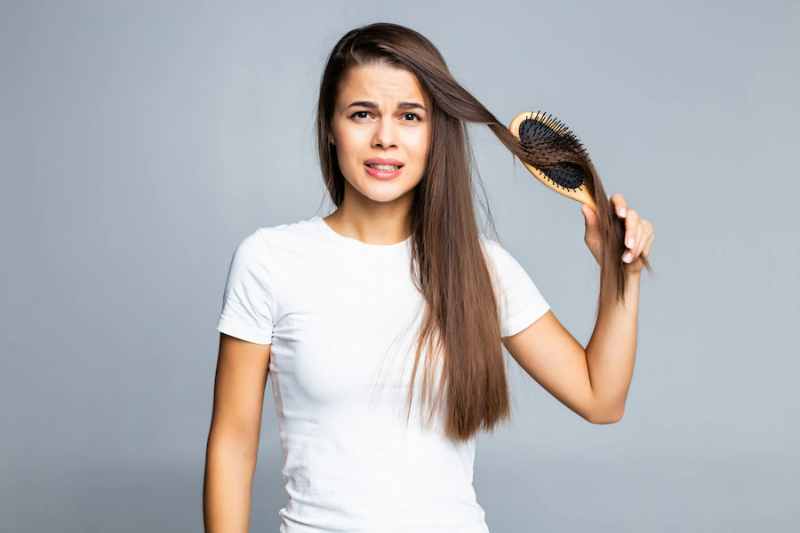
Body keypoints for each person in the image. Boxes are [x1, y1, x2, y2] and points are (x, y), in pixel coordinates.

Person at [203, 22, 654, 533]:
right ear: (331, 126)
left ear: (434, 131)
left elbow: (601, 398)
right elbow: (233, 446)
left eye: (409, 116)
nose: (385, 138)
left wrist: (623, 274)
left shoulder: (479, 268)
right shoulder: (269, 261)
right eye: (362, 114)